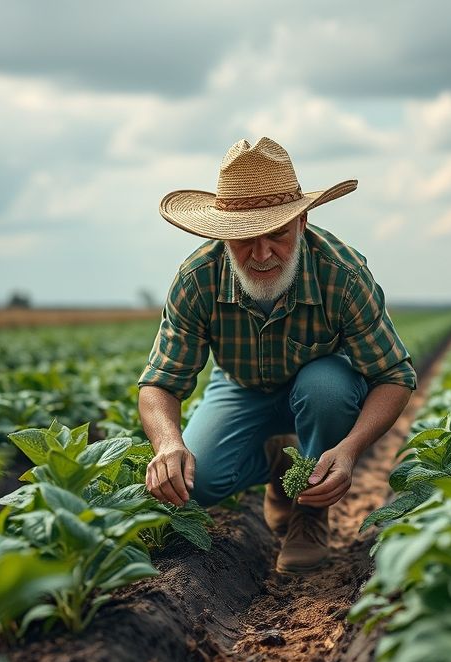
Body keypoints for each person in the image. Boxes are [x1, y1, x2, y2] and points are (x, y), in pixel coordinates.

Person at [137, 137, 417, 573]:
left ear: (302, 222)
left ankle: (309, 515)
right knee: (200, 480)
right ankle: (277, 462)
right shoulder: (197, 279)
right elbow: (159, 383)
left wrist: (350, 450)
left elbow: (394, 375)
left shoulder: (340, 274)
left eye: (277, 235)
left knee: (324, 386)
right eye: (245, 240)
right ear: (223, 236)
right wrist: (168, 443)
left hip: (323, 390)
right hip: (242, 386)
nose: (263, 254)